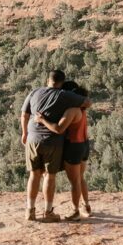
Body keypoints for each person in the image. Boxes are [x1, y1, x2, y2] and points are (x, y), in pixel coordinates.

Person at [21, 69, 91, 222]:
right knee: (55, 176)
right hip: (64, 143)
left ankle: (30, 211)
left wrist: (25, 132)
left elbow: (25, 114)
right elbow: (87, 102)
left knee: (34, 175)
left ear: (48, 79)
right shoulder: (68, 100)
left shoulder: (35, 92)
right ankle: (50, 212)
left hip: (35, 139)